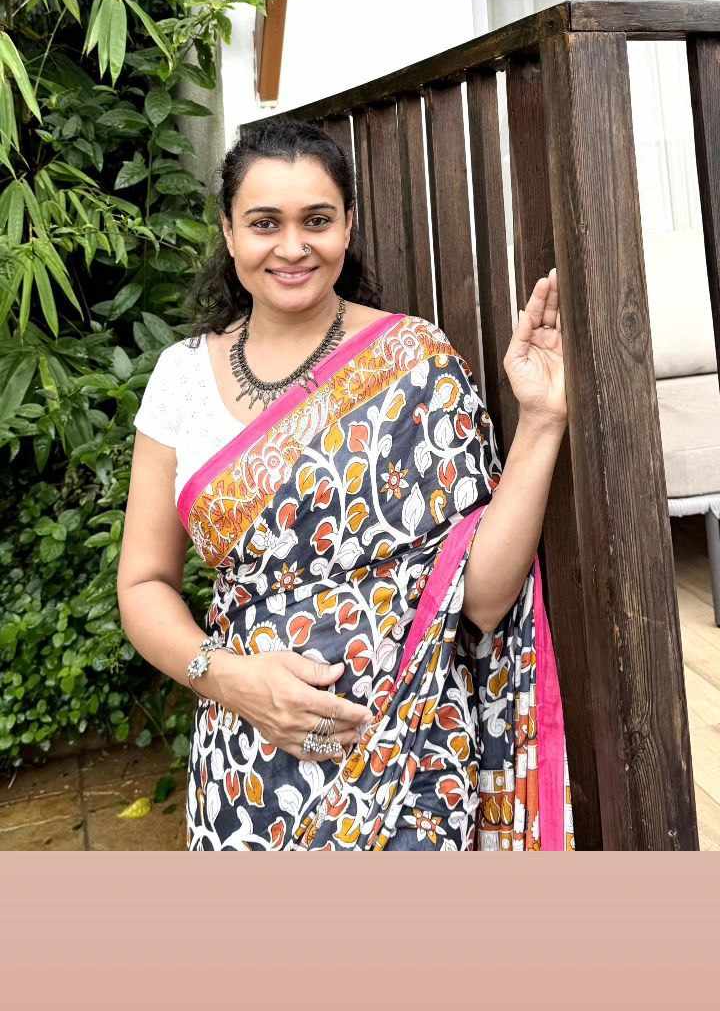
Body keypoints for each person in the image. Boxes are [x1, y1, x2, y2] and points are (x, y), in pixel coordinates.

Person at [117, 116, 575, 851]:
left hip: (413, 754)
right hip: (245, 765)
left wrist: (544, 419)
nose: (292, 246)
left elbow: (483, 601)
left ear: (347, 227)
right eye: (264, 223)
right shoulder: (180, 378)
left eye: (316, 220)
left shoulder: (415, 362)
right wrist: (229, 680)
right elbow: (143, 585)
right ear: (229, 232)